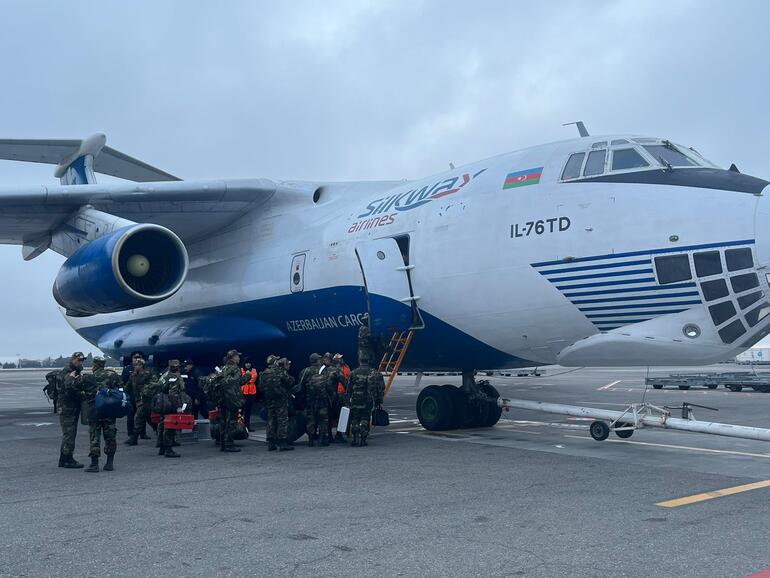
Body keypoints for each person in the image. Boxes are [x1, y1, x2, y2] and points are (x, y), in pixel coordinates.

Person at [81, 356, 121, 472]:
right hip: (109, 410)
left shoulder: (89, 377)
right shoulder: (112, 375)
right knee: (110, 436)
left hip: (95, 411)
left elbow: (85, 394)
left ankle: (94, 464)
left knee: (94, 437)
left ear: (94, 365)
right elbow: (120, 389)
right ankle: (109, 463)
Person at [346, 357, 385, 447]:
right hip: (367, 399)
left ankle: (355, 438)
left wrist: (348, 400)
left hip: (355, 399)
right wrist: (378, 400)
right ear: (368, 361)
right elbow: (381, 387)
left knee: (355, 418)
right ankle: (363, 439)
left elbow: (348, 388)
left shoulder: (353, 372)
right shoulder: (374, 372)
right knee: (365, 418)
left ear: (360, 361)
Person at [57, 352, 87, 468]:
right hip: (67, 408)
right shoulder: (69, 372)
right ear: (73, 359)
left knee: (68, 434)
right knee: (69, 434)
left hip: (70, 407)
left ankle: (63, 459)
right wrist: (83, 394)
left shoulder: (74, 371)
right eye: (79, 360)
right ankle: (68, 459)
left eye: (82, 360)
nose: (81, 362)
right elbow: (70, 389)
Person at [260, 355, 295, 452]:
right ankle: (282, 442)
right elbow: (290, 380)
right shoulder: (279, 371)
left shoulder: (264, 373)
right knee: (282, 420)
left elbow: (261, 387)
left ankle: (271, 443)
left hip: (269, 400)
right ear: (275, 362)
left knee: (271, 419)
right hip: (280, 399)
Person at [157, 359, 186, 458]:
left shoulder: (165, 375)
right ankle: (168, 449)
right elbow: (172, 394)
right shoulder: (174, 377)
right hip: (170, 404)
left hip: (162, 402)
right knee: (169, 426)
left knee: (161, 424)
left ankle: (161, 446)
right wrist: (178, 406)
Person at [125, 358, 157, 445]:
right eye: (134, 365)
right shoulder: (133, 375)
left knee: (138, 418)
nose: (135, 367)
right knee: (150, 419)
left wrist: (145, 390)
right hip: (138, 400)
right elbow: (128, 386)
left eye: (137, 365)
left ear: (141, 365)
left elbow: (155, 384)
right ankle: (160, 434)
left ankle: (134, 438)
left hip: (147, 400)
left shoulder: (149, 373)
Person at [219, 350, 244, 453]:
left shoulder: (223, 368)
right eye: (237, 356)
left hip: (223, 398)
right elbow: (238, 382)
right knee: (231, 421)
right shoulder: (235, 368)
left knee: (223, 421)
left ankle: (222, 443)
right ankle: (229, 443)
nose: (239, 358)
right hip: (232, 399)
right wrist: (247, 376)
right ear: (233, 357)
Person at [121, 352, 149, 440]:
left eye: (139, 357)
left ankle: (142, 433)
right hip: (131, 396)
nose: (137, 359)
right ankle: (131, 433)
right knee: (131, 415)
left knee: (142, 415)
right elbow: (124, 382)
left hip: (141, 397)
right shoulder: (127, 369)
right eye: (135, 357)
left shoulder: (145, 371)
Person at [331, 353, 350, 442]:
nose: (341, 359)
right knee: (333, 415)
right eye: (339, 358)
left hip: (343, 394)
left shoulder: (346, 367)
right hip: (336, 394)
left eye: (341, 358)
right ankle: (332, 434)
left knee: (342, 415)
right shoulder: (333, 369)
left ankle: (341, 433)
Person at [240, 358, 258, 431]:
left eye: (249, 363)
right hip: (242, 393)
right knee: (240, 410)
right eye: (246, 363)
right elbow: (242, 379)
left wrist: (247, 378)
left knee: (248, 411)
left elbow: (254, 378)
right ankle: (239, 426)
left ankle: (247, 426)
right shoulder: (240, 370)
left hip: (251, 393)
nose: (248, 364)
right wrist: (248, 377)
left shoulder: (254, 370)